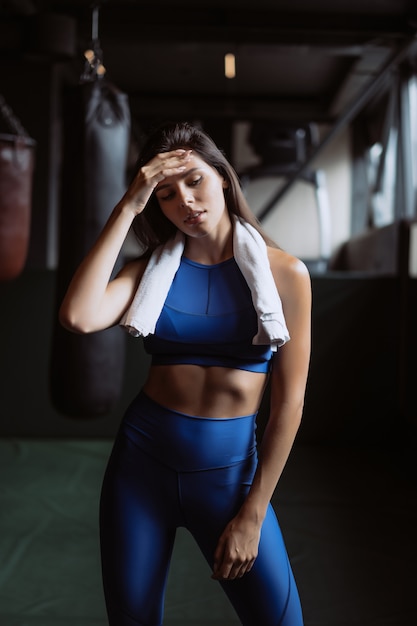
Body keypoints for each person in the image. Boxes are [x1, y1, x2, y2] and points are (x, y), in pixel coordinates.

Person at [59, 121, 311, 626]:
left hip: (230, 477)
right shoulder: (151, 269)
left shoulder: (286, 273)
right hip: (140, 469)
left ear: (221, 176)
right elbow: (79, 316)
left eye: (194, 180)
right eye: (166, 194)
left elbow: (288, 404)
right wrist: (129, 204)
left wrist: (254, 513)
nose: (186, 202)